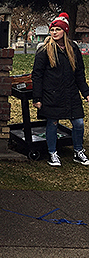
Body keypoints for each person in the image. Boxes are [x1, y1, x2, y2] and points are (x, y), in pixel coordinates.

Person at [32, 12, 89, 167]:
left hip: (70, 94)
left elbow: (79, 73)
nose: (54, 32)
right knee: (53, 123)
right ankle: (52, 153)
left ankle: (78, 151)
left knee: (78, 123)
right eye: (52, 30)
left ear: (65, 31)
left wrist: (86, 92)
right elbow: (37, 75)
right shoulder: (44, 50)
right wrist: (37, 98)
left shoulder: (73, 48)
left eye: (58, 29)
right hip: (52, 94)